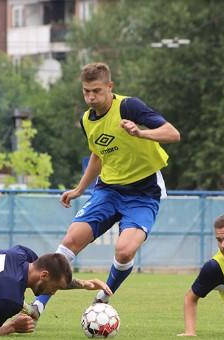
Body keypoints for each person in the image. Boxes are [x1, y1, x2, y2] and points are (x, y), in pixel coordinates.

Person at [30, 62, 180, 318]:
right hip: (108, 190)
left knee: (124, 250)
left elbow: (172, 133)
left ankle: (103, 296)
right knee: (69, 241)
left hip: (143, 192)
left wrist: (142, 133)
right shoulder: (87, 120)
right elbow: (97, 156)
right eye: (86, 91)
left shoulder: (129, 107)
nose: (90, 97)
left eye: (96, 91)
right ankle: (38, 305)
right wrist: (79, 189)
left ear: (110, 87)